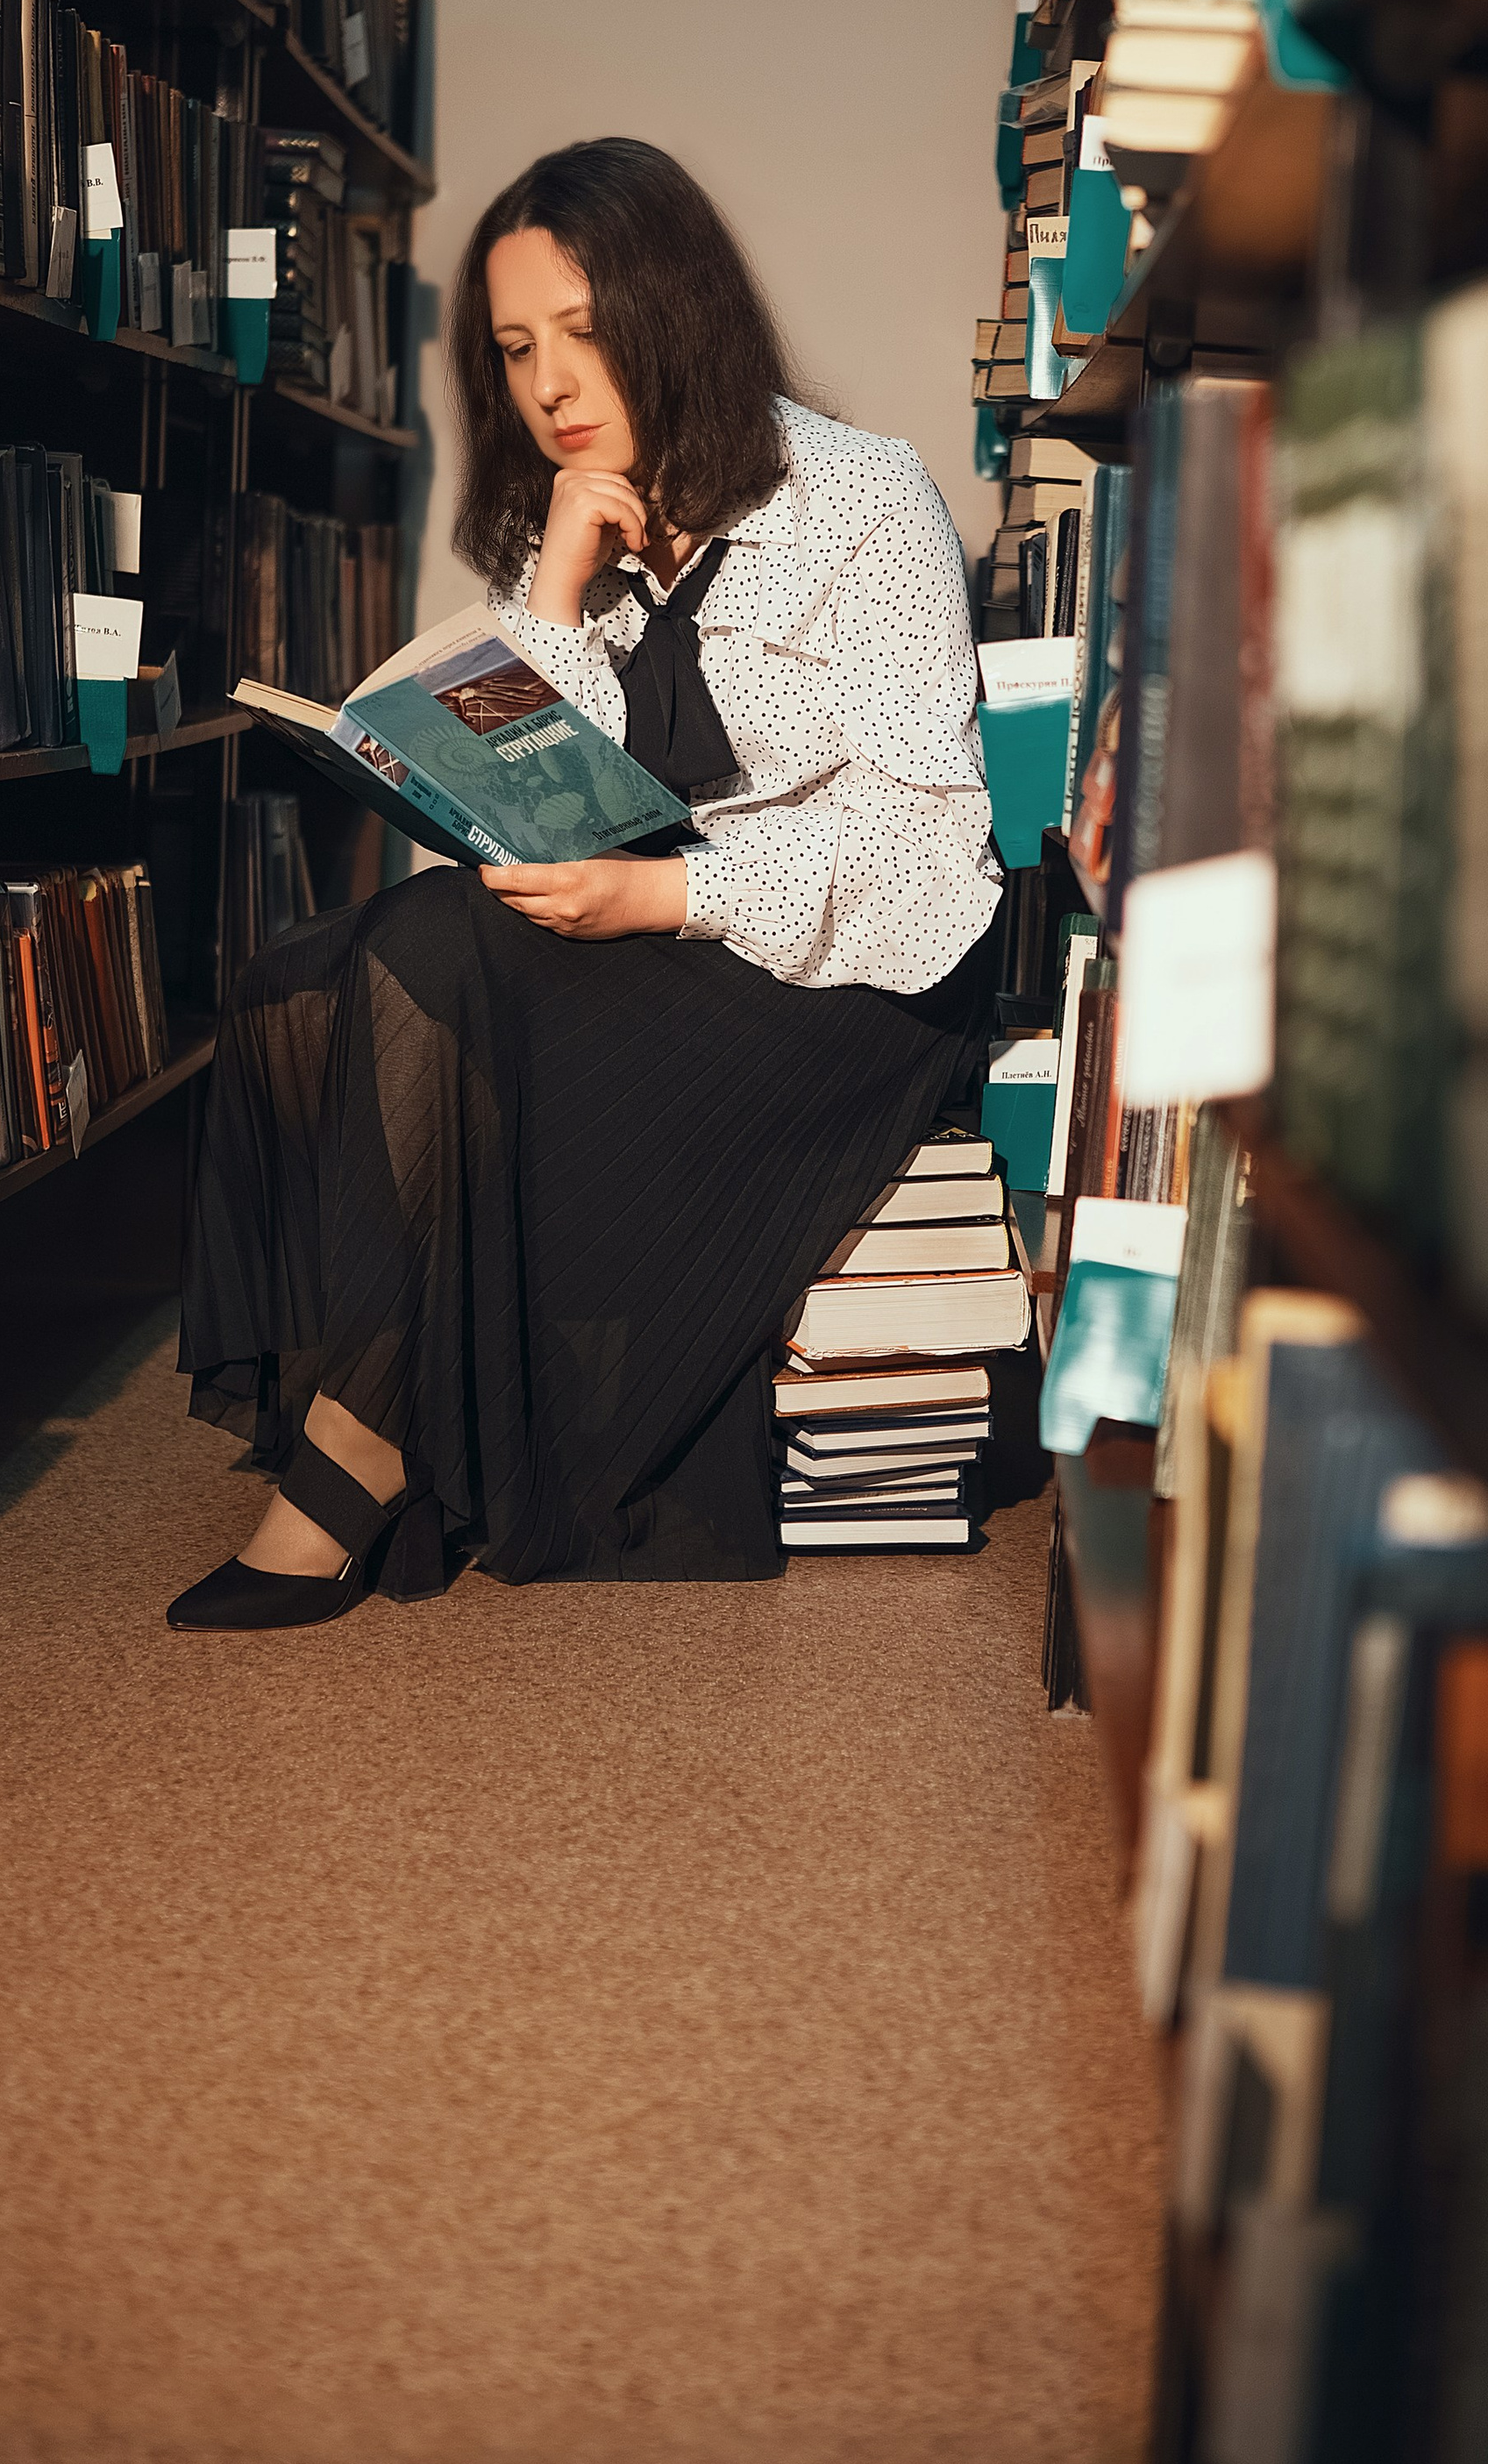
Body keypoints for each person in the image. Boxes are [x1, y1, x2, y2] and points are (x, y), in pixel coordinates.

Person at [166, 137, 1001, 1630]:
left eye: (582, 330)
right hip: (632, 946)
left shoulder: (867, 505)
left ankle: (351, 1461)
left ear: (675, 311)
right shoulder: (557, 519)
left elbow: (932, 854)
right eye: (512, 348)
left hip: (836, 977)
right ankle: (370, 1389)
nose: (548, 383)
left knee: (432, 949)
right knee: (302, 974)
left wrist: (665, 901)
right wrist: (553, 599)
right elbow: (520, 812)